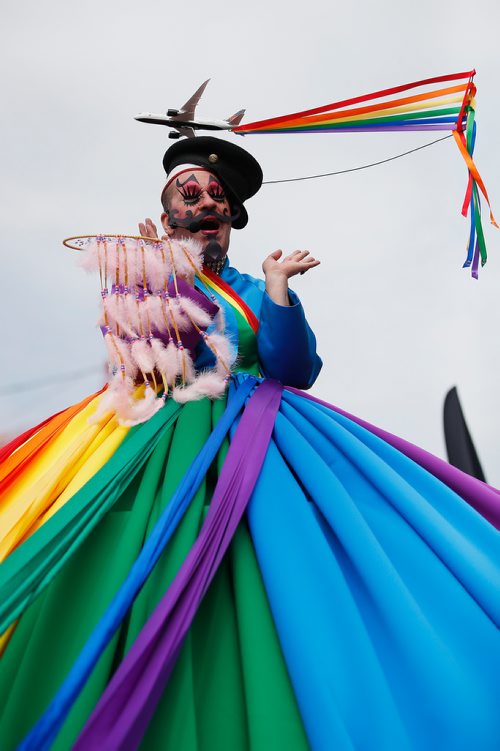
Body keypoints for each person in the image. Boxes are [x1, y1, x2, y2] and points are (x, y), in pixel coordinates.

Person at [0, 137, 498, 751]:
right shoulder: (145, 277)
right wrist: (162, 284)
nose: (207, 202)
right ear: (166, 216)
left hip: (263, 432)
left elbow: (294, 366)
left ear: (232, 218)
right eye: (190, 193)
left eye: (219, 197)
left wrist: (279, 289)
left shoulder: (257, 289)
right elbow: (150, 369)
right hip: (162, 435)